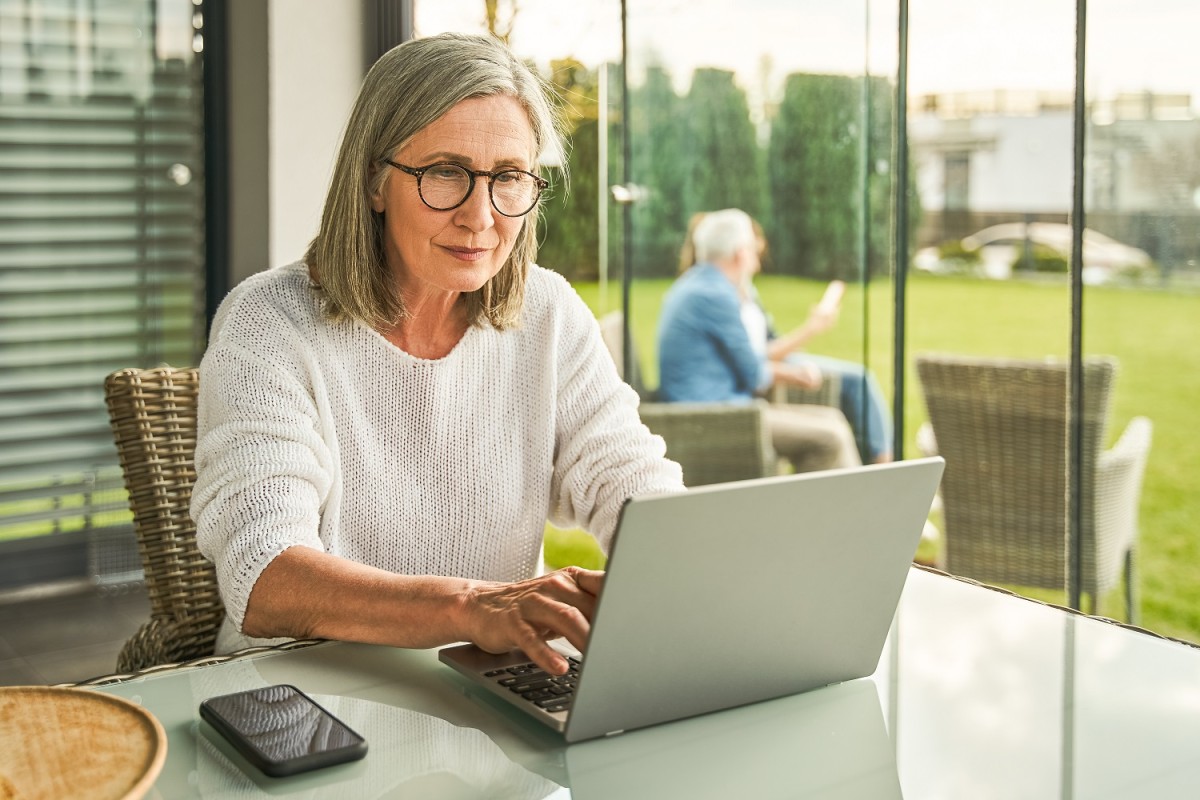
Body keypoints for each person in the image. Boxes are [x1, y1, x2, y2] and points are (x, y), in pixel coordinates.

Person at [191, 33, 684, 678]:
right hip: (304, 695)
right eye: (445, 173)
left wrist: (683, 563)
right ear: (373, 183)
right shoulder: (269, 323)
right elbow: (264, 578)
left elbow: (628, 479)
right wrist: (472, 605)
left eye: (508, 177)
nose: (481, 216)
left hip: (484, 688)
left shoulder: (549, 312)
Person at [676, 211, 894, 464]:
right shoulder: (715, 295)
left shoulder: (701, 286)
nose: (758, 260)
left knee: (833, 420)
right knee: (830, 436)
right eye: (753, 250)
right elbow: (754, 374)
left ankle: (858, 498)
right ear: (741, 254)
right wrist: (796, 374)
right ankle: (852, 502)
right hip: (714, 417)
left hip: (716, 408)